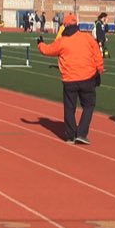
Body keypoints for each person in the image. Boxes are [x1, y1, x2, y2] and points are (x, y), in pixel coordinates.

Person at [36, 14, 104, 144]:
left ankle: (71, 135)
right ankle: (82, 133)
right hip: (87, 77)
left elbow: (47, 50)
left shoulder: (62, 41)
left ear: (65, 26)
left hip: (69, 79)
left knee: (69, 108)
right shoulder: (87, 38)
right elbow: (97, 55)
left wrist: (40, 44)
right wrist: (99, 70)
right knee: (89, 105)